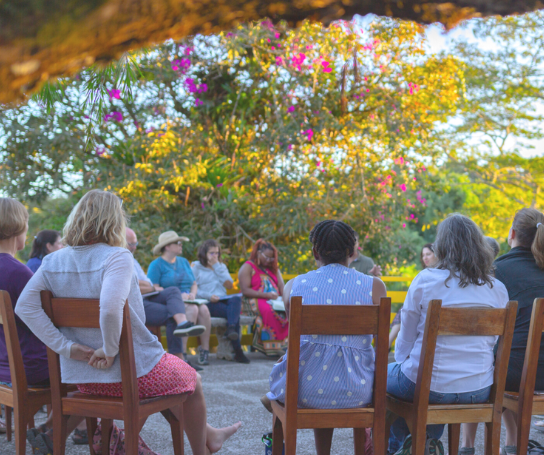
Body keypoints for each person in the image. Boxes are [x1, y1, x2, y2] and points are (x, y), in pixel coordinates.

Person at [15, 190, 241, 455]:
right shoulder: (117, 257)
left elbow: (24, 307)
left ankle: (211, 435)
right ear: (114, 221)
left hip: (85, 377)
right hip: (132, 374)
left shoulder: (53, 261)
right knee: (192, 380)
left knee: (175, 379)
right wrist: (110, 351)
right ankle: (204, 450)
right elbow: (110, 310)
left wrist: (65, 347)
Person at [388, 214, 509, 455]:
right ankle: (427, 443)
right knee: (427, 384)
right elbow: (492, 343)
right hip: (478, 389)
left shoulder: (426, 280)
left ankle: (402, 448)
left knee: (387, 379)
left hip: (429, 385)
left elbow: (406, 337)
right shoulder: (497, 288)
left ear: (441, 246)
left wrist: (401, 362)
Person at [266, 220, 387, 455]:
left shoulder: (294, 285)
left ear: (315, 252)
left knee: (316, 363)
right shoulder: (374, 287)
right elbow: (379, 341)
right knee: (336, 364)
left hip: (305, 391)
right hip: (359, 390)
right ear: (352, 252)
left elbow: (295, 342)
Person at [0, 198, 86, 451]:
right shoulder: (19, 273)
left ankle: (49, 428)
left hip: (3, 364)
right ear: (18, 228)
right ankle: (55, 430)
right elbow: (52, 320)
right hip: (32, 367)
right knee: (101, 370)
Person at [461, 209, 544, 455]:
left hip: (514, 374)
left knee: (487, 360)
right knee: (511, 355)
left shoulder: (495, 272)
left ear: (513, 234)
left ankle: (466, 446)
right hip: (538, 372)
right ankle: (513, 443)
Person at [126, 228, 206, 371]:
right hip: (133, 306)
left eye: (135, 244)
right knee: (173, 312)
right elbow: (133, 286)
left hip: (147, 299)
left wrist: (144, 286)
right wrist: (146, 286)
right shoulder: (119, 261)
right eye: (130, 244)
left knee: (174, 293)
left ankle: (182, 326)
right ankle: (179, 360)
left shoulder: (133, 260)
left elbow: (146, 283)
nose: (134, 247)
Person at [147, 231, 212, 366]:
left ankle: (205, 352)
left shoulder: (183, 262)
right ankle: (183, 355)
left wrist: (193, 294)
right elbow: (153, 288)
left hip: (190, 298)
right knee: (192, 309)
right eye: (178, 243)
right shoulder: (156, 265)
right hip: (169, 301)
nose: (181, 245)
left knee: (204, 310)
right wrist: (177, 296)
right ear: (167, 247)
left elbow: (194, 283)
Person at [192, 240, 250, 364]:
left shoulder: (221, 266)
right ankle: (238, 351)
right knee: (233, 316)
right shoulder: (196, 267)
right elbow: (193, 288)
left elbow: (229, 285)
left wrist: (217, 266)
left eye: (217, 253)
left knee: (235, 299)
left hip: (223, 300)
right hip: (207, 302)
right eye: (211, 253)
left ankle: (231, 328)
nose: (215, 256)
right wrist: (209, 296)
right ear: (204, 253)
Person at [238, 239, 287, 356]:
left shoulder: (274, 269)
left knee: (288, 310)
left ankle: (285, 345)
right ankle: (272, 347)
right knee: (268, 311)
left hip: (274, 300)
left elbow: (282, 286)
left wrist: (285, 298)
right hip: (252, 299)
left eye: (272, 258)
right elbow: (245, 290)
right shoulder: (248, 266)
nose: (269, 260)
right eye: (267, 257)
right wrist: (266, 295)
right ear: (258, 253)